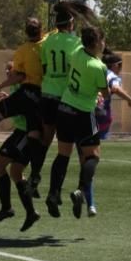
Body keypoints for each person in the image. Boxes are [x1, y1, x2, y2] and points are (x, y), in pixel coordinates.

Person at [45, 26, 119, 219]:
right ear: (96, 43)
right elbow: (105, 93)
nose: (104, 44)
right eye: (102, 40)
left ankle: (53, 194)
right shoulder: (98, 67)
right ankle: (80, 190)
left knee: (63, 154)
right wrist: (101, 94)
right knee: (93, 156)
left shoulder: (77, 52)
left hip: (64, 108)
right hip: (83, 114)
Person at [34, 0, 96, 198]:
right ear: (71, 24)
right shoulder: (76, 43)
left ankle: (35, 175)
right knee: (71, 146)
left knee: (46, 138)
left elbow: (44, 68)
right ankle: (82, 189)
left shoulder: (47, 41)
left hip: (47, 94)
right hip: (65, 98)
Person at [0, 18, 45, 166]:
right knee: (34, 133)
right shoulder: (48, 44)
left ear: (26, 32)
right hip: (41, 97)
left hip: (25, 94)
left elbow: (19, 76)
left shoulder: (22, 50)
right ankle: (35, 173)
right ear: (41, 30)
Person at [0, 64, 40, 232]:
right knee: (14, 171)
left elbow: (28, 108)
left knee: (0, 166)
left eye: (11, 69)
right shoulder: (17, 87)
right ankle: (29, 212)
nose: (8, 72)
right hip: (20, 132)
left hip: (26, 133)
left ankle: (9, 208)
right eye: (6, 70)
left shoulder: (26, 86)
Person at [86, 52, 131, 217]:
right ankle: (87, 195)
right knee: (92, 157)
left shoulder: (92, 71)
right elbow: (115, 88)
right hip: (100, 118)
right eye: (120, 66)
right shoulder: (111, 76)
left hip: (84, 114)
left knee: (85, 156)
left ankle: (88, 198)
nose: (121, 69)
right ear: (115, 66)